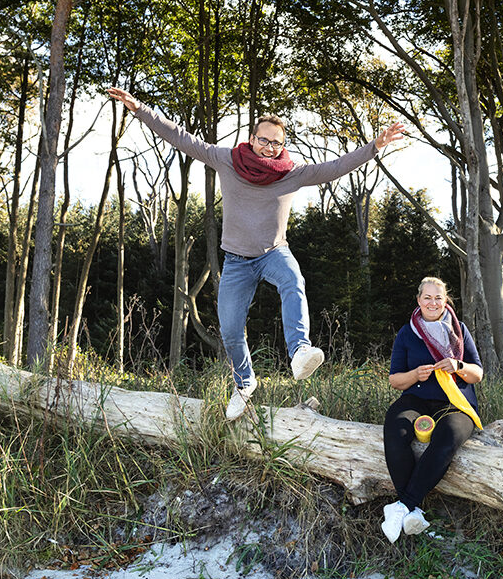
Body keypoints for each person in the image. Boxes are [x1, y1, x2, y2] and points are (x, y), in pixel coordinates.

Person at [107, 87, 404, 421]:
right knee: (231, 331)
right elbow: (182, 138)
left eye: (276, 143)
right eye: (264, 140)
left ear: (283, 146)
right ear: (251, 139)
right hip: (235, 261)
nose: (270, 147)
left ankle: (300, 351)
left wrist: (375, 146)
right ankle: (245, 384)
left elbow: (336, 167)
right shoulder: (226, 160)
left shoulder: (294, 173)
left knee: (294, 281)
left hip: (274, 252)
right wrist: (139, 108)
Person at [381, 277, 483, 543]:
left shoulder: (459, 329)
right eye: (427, 297)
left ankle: (403, 506)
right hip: (417, 399)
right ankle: (412, 510)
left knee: (448, 437)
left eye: (438, 298)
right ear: (418, 300)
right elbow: (394, 380)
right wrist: (415, 374)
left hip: (456, 403)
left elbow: (478, 374)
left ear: (445, 300)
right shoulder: (407, 333)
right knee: (396, 425)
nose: (433, 303)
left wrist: (458, 366)